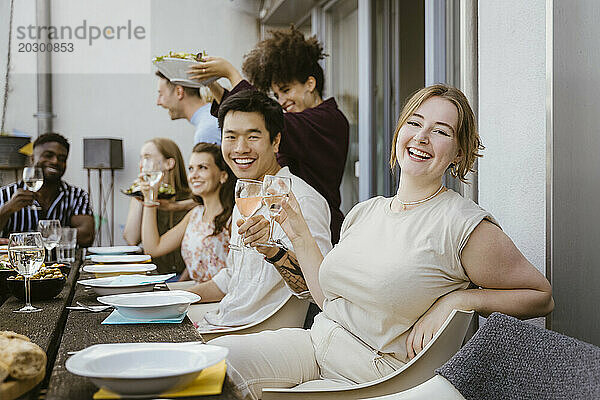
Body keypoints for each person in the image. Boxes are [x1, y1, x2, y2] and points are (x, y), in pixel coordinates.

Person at [209, 84, 555, 399]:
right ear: (399, 134)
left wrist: (461, 298)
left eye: (440, 131)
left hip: (372, 377)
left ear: (459, 154)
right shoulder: (366, 212)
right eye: (415, 123)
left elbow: (541, 297)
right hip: (317, 344)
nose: (422, 137)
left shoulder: (461, 224)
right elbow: (327, 299)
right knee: (211, 364)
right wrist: (297, 229)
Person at [188, 26, 349, 245]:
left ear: (310, 84)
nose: (281, 101)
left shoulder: (327, 120)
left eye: (286, 90)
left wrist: (231, 73)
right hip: (285, 222)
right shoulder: (308, 121)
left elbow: (263, 117)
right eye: (277, 94)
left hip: (314, 229)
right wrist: (212, 84)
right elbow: (248, 117)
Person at [187, 89, 332, 330]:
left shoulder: (301, 200)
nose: (240, 148)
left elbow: (319, 289)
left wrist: (274, 251)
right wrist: (176, 297)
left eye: (252, 137)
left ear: (275, 142)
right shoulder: (245, 192)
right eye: (230, 137)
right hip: (222, 320)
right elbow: (232, 277)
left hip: (255, 334)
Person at [138, 142, 235, 283]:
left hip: (221, 300)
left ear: (223, 176)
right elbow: (153, 248)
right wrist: (149, 199)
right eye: (191, 168)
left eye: (202, 167)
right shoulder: (195, 215)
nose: (194, 175)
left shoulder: (233, 218)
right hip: (195, 296)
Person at [0, 133, 95, 246]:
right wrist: (8, 209)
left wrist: (32, 238)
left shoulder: (77, 195)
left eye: (62, 158)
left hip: (63, 263)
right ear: (32, 158)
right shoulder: (5, 194)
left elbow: (86, 236)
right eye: (48, 155)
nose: (55, 161)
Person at [123, 138, 193, 275]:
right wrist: (140, 194)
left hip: (186, 278)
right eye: (141, 159)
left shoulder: (191, 197)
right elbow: (131, 239)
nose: (141, 165)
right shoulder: (142, 197)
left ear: (169, 163)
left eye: (147, 158)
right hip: (154, 276)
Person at [155, 71, 221, 145]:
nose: (158, 102)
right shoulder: (211, 119)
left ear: (179, 92)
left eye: (161, 94)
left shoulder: (206, 132)